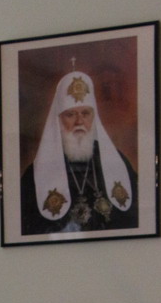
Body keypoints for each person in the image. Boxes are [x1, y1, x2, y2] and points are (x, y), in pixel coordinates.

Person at [20, 70, 138, 235]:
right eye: (70, 115)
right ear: (58, 120)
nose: (79, 121)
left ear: (93, 117)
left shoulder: (117, 161)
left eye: (85, 113)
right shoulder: (35, 174)